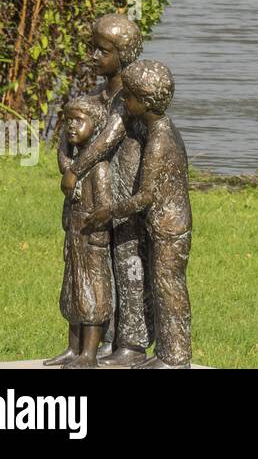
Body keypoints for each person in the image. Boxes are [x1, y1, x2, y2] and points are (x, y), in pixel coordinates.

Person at [85, 60, 192, 369]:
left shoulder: (159, 141)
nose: (125, 101)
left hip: (170, 227)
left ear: (144, 103)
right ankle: (167, 354)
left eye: (129, 97)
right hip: (163, 224)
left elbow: (145, 196)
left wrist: (109, 211)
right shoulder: (161, 129)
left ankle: (176, 357)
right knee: (162, 287)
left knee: (169, 288)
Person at [58, 13, 152, 366]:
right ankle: (96, 342)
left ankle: (132, 344)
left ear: (124, 55)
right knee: (95, 268)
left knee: (129, 262)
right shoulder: (97, 97)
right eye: (93, 49)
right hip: (95, 197)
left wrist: (75, 171)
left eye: (103, 51)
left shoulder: (132, 98)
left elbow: (109, 139)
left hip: (126, 191)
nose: (94, 57)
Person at [50, 93, 113, 368]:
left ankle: (89, 353)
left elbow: (105, 208)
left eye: (78, 120)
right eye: (67, 121)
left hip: (92, 241)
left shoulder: (97, 169)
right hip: (74, 237)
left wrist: (96, 236)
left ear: (96, 127)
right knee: (72, 292)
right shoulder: (74, 168)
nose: (71, 126)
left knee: (93, 296)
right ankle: (72, 348)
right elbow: (64, 164)